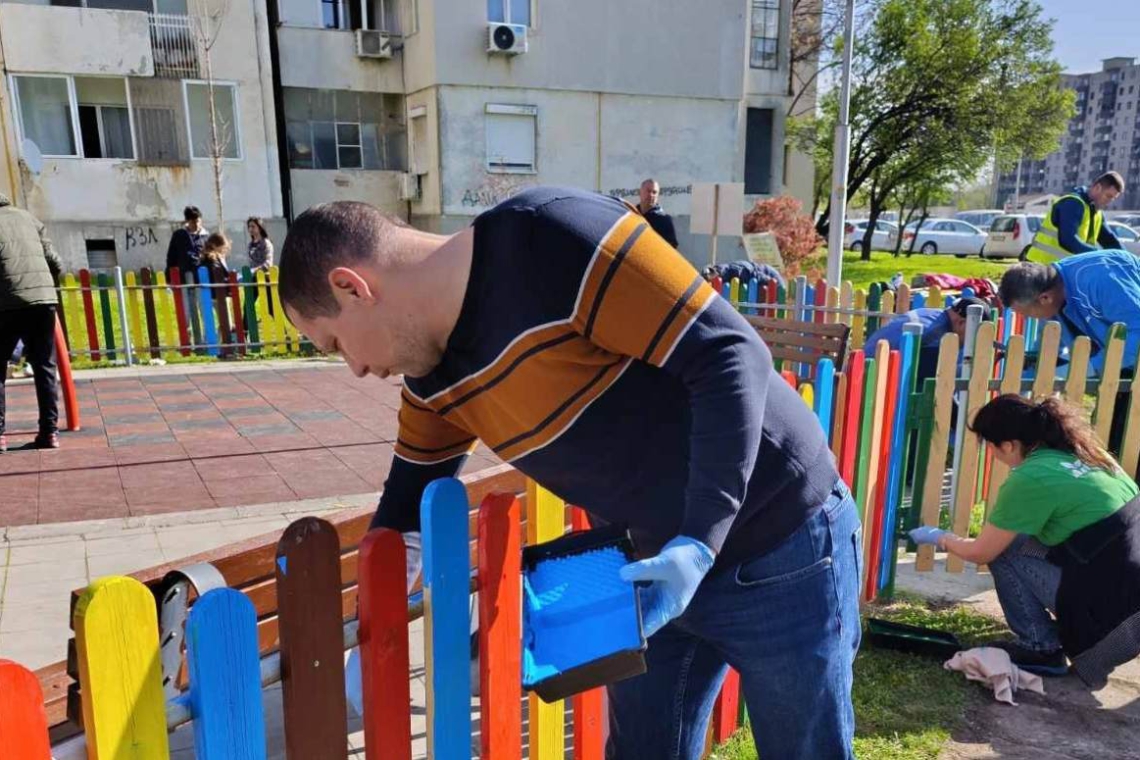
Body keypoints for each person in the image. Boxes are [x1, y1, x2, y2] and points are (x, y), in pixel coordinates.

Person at [278, 188, 861, 759]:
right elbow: (405, 508)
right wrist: (368, 629)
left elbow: (729, 352)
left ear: (351, 287)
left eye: (335, 342)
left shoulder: (551, 235)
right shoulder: (432, 381)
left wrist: (699, 541)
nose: (355, 368)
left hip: (780, 541)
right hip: (650, 574)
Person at [909, 394, 1140, 687]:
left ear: (1008, 445)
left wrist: (941, 538)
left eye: (990, 446)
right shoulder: (1090, 455)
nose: (991, 454)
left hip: (1113, 623)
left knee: (1005, 550)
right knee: (1020, 541)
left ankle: (1041, 648)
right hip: (1130, 605)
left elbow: (982, 552)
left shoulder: (1031, 477)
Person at [999, 252, 1140, 455]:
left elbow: (1138, 333)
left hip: (1131, 358)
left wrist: (1091, 367)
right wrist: (1033, 361)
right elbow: (1048, 334)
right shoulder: (1052, 288)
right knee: (1109, 435)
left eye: (1026, 313)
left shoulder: (1101, 281)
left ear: (1045, 298)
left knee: (1127, 438)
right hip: (1125, 366)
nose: (1028, 318)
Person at [0, 193, 62, 453]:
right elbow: (54, 261)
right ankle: (49, 432)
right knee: (44, 365)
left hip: (7, 302)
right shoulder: (29, 218)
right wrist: (47, 287)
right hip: (43, 300)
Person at [863, 296, 992, 384]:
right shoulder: (936, 337)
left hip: (869, 369)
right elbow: (932, 382)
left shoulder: (932, 315)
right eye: (974, 334)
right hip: (873, 379)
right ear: (961, 323)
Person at [1025, 171, 1124, 263]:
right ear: (1097, 187)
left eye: (1113, 198)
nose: (1109, 202)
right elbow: (1068, 240)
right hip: (1040, 266)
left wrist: (1127, 259)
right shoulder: (1073, 203)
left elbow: (1110, 241)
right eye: (1108, 196)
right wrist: (1096, 255)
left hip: (1060, 269)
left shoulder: (1096, 213)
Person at [165, 205, 209, 278]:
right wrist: (169, 276)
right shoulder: (179, 236)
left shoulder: (206, 237)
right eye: (193, 222)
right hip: (183, 275)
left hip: (202, 276)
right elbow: (171, 257)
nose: (196, 225)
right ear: (187, 221)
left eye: (198, 221)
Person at [635, 178, 679, 249]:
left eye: (654, 192)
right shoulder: (631, 215)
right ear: (640, 192)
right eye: (648, 191)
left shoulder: (664, 220)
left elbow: (671, 248)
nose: (651, 195)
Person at [246, 216, 274, 316]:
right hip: (253, 279)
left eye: (253, 226)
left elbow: (268, 263)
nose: (250, 229)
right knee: (248, 305)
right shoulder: (250, 245)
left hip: (265, 278)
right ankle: (246, 325)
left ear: (260, 227)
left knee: (271, 307)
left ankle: (279, 325)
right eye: (249, 227)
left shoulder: (266, 243)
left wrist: (255, 270)